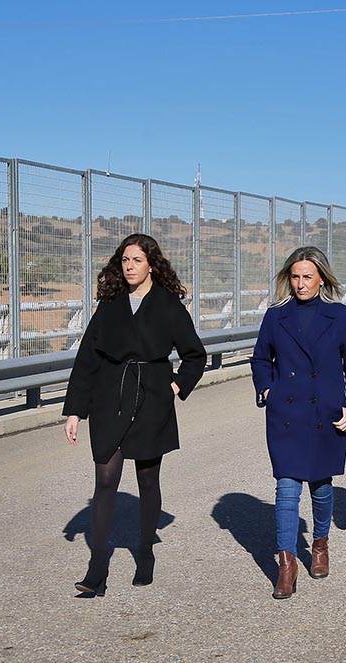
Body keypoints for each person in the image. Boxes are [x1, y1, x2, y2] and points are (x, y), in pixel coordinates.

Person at [62, 233, 206, 596]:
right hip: (109, 397)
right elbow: (87, 358)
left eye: (137, 260)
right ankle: (97, 569)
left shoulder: (169, 305)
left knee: (147, 482)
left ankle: (145, 552)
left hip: (151, 397)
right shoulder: (109, 304)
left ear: (151, 264)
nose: (129, 267)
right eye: (125, 260)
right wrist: (76, 410)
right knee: (105, 482)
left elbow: (195, 355)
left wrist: (173, 388)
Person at [251, 246, 346, 599]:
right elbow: (260, 359)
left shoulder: (340, 316)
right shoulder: (275, 316)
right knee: (286, 489)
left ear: (321, 279)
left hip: (325, 415)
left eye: (307, 277)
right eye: (295, 276)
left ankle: (320, 544)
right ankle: (286, 564)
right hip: (286, 414)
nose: (300, 284)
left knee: (320, 486)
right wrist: (268, 390)